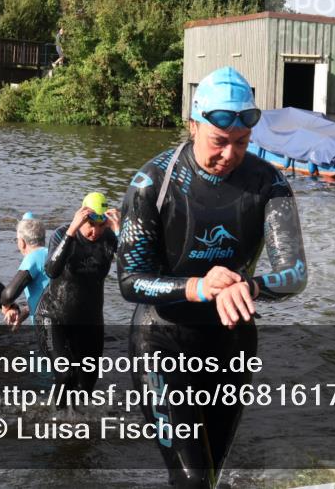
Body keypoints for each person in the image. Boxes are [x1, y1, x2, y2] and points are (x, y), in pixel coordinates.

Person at [116, 66, 308, 489]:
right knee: (192, 478)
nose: (229, 153)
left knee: (210, 474)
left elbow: (295, 274)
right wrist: (197, 287)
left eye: (242, 142)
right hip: (161, 340)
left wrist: (250, 286)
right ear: (193, 125)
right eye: (219, 141)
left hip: (231, 344)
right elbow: (130, 280)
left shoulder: (269, 183)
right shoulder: (152, 182)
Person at [36, 192, 120, 408]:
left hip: (90, 320)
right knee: (65, 375)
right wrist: (72, 232)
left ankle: (77, 423)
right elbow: (51, 270)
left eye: (101, 226)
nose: (95, 231)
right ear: (81, 218)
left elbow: (130, 271)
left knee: (86, 387)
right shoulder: (62, 234)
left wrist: (120, 233)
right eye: (91, 225)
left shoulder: (109, 238)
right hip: (54, 317)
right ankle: (55, 419)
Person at [1, 217, 49, 327]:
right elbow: (46, 294)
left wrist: (5, 307)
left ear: (22, 242)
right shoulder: (53, 254)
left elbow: (8, 295)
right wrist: (24, 313)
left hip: (46, 324)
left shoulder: (33, 258)